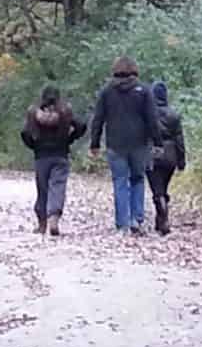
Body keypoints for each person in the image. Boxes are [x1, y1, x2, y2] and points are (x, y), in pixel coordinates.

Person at [88, 55, 161, 235]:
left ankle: (123, 223)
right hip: (139, 143)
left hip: (115, 144)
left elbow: (98, 119)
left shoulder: (106, 91)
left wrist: (95, 143)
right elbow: (152, 119)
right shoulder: (144, 91)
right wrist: (157, 142)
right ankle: (137, 219)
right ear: (135, 70)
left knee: (120, 182)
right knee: (138, 179)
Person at [20, 84, 87, 236]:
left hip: (41, 157)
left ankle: (42, 224)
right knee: (57, 186)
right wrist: (70, 139)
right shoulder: (65, 112)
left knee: (42, 189)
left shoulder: (33, 112)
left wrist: (34, 146)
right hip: (60, 155)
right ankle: (54, 218)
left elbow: (25, 133)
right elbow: (81, 126)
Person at [146, 80, 186, 235]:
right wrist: (181, 160)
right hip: (170, 156)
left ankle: (163, 218)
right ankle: (160, 219)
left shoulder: (147, 114)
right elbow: (179, 140)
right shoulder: (174, 115)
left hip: (152, 153)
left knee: (157, 190)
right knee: (163, 188)